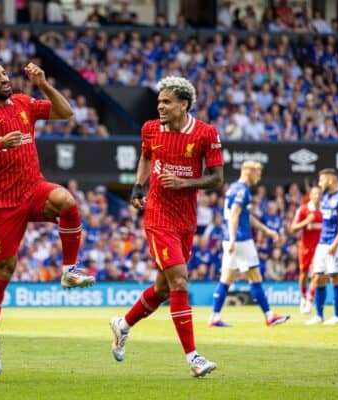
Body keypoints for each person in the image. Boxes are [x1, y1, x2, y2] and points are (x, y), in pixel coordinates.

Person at [0, 60, 95, 375]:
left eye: (4, 73)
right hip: (4, 204)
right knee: (4, 269)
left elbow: (65, 112)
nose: (4, 78)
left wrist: (44, 85)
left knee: (67, 201)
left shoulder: (22, 102)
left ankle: (69, 270)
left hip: (34, 188)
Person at [109, 76, 222, 378]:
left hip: (186, 220)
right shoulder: (150, 129)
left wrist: (185, 182)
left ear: (183, 104)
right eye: (159, 102)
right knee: (180, 282)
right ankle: (193, 357)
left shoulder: (205, 134)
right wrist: (137, 188)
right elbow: (146, 157)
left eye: (166, 102)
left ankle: (123, 325)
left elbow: (216, 178)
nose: (160, 107)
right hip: (158, 217)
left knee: (162, 288)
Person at [208, 161, 290, 328]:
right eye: (257, 173)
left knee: (226, 279)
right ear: (249, 172)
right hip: (241, 240)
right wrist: (232, 239)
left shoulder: (232, 188)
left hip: (231, 240)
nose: (258, 177)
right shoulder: (242, 190)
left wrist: (266, 230)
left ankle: (214, 317)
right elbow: (235, 216)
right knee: (255, 277)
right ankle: (269, 316)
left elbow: (245, 217)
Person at [305, 169, 338, 325]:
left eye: (321, 180)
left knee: (335, 277)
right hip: (323, 242)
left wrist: (335, 244)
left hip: (337, 244)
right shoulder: (325, 198)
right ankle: (319, 315)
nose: (319, 183)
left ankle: (337, 316)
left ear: (330, 180)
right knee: (318, 277)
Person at [290, 186, 323, 314]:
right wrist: (306, 222)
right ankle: (303, 297)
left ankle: (310, 300)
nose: (317, 196)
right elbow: (293, 228)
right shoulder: (303, 210)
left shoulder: (325, 210)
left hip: (320, 248)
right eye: (315, 193)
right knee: (303, 275)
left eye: (320, 193)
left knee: (316, 274)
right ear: (310, 196)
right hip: (305, 248)